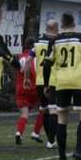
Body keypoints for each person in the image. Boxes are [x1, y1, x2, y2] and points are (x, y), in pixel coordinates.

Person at [42, 11, 81, 160]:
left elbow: (47, 65)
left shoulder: (55, 41)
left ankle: (62, 158)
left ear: (62, 25)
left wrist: (46, 85)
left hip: (62, 82)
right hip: (79, 81)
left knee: (62, 118)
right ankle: (78, 150)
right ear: (74, 24)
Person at [28, 19, 59, 149]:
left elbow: (28, 60)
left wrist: (26, 78)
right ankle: (51, 141)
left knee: (45, 110)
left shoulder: (37, 43)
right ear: (57, 29)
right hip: (54, 80)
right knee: (53, 110)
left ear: (46, 29)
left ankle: (50, 140)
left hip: (40, 81)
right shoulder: (58, 42)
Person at [15, 38, 44, 145]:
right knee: (45, 108)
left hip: (21, 88)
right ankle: (36, 132)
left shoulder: (20, 57)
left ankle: (19, 132)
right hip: (33, 87)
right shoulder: (34, 57)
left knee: (24, 113)